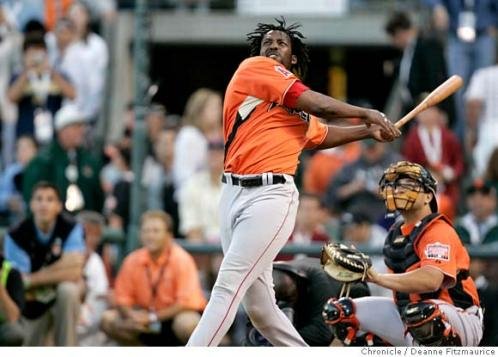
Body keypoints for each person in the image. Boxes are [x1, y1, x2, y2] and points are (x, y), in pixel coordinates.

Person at [186, 17, 400, 347]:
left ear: (294, 58)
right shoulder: (254, 69)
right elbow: (316, 103)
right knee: (259, 308)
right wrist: (367, 115)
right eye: (267, 42)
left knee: (227, 286)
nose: (272, 47)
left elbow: (321, 133)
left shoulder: (293, 107)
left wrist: (365, 131)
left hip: (271, 197)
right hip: (232, 192)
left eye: (281, 43)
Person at [323, 161, 483, 346]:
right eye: (395, 185)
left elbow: (431, 281)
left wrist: (376, 277)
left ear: (428, 196)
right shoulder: (395, 233)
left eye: (407, 185)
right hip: (409, 317)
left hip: (459, 317)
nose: (398, 190)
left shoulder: (437, 229)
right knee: (340, 312)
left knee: (422, 314)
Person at [100, 210, 206, 346]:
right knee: (108, 319)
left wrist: (152, 317)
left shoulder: (181, 259)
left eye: (156, 231)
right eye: (146, 231)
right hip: (143, 319)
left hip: (172, 319)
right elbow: (122, 299)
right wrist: (131, 316)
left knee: (188, 324)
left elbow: (185, 303)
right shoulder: (132, 260)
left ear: (169, 235)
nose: (150, 235)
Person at [3, 181, 85, 346]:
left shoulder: (71, 227)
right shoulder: (15, 235)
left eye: (50, 199)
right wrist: (61, 268)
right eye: (39, 199)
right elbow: (20, 283)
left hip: (59, 298)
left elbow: (74, 273)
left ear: (59, 206)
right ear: (31, 205)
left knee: (68, 290)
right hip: (29, 304)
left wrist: (33, 278)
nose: (44, 204)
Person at [245, 257, 370, 346]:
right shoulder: (263, 282)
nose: (288, 303)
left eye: (290, 297)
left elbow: (322, 334)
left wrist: (276, 341)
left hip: (346, 305)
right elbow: (253, 328)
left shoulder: (319, 282)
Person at [22, 104, 104, 213]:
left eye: (82, 127)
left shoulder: (89, 160)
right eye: (76, 127)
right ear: (62, 130)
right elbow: (31, 197)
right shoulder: (43, 161)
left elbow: (98, 197)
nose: (81, 131)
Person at [0, 253, 25, 346]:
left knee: (14, 333)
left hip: (2, 328)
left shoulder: (11, 273)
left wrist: (1, 290)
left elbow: (13, 317)